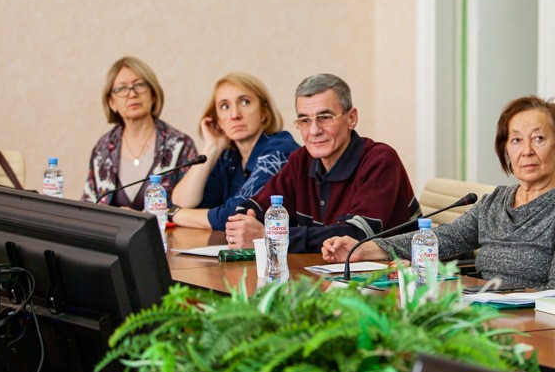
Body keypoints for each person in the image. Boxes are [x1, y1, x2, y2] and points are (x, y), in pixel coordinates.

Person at [322, 96, 555, 289]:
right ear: (506, 149)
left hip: (533, 327)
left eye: (539, 139)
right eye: (516, 140)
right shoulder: (497, 200)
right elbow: (447, 238)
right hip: (481, 308)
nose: (526, 150)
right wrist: (366, 249)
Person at [225, 73, 419, 253]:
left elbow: (355, 237)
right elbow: (253, 209)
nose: (314, 131)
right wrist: (244, 226)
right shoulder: (301, 159)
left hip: (389, 280)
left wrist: (271, 236)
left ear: (351, 118)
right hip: (321, 275)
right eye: (305, 120)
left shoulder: (381, 160)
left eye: (325, 118)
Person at [169, 73, 298, 230]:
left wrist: (171, 213)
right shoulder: (229, 158)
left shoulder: (280, 151)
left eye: (245, 102)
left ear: (264, 113)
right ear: (218, 120)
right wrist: (212, 147)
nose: (234, 115)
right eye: (225, 106)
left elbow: (235, 216)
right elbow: (184, 202)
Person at [82, 57, 198, 209]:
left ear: (153, 95)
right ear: (112, 103)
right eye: (122, 89)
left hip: (166, 233)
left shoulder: (180, 145)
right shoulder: (103, 149)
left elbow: (192, 205)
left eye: (139, 85)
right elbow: (88, 205)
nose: (132, 94)